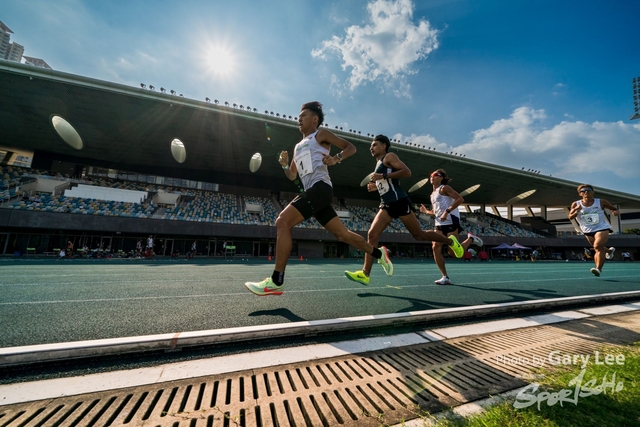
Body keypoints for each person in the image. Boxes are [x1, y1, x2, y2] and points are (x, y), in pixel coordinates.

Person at [245, 101, 393, 296]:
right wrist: (284, 164)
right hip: (314, 193)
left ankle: (276, 281)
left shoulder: (320, 134)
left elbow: (351, 147)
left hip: (321, 189)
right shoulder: (298, 147)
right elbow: (292, 175)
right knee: (342, 235)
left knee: (283, 221)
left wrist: (336, 158)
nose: (299, 119)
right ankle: (379, 254)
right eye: (298, 116)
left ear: (314, 119)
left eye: (303, 116)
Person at [344, 135, 466, 285]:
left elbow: (406, 172)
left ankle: (450, 242)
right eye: (371, 145)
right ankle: (365, 274)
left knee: (419, 235)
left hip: (399, 201)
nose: (371, 147)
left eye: (375, 145)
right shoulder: (378, 164)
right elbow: (389, 183)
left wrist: (382, 175)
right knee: (372, 234)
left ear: (384, 146)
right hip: (387, 203)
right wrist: (376, 185)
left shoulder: (389, 156)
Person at [419, 169, 484, 285]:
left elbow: (460, 199)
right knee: (435, 247)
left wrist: (447, 211)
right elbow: (436, 211)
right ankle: (445, 277)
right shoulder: (432, 194)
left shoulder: (444, 188)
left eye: (435, 175)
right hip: (439, 223)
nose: (432, 177)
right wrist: (427, 212)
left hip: (450, 221)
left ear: (441, 178)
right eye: (431, 175)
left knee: (453, 253)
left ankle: (471, 239)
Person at [568, 184, 619, 276]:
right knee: (597, 248)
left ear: (592, 192)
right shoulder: (576, 204)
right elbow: (570, 216)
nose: (586, 192)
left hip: (601, 227)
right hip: (587, 230)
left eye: (588, 190)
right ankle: (609, 251)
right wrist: (577, 210)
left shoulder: (601, 202)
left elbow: (613, 209)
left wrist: (614, 212)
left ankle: (598, 269)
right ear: (580, 194)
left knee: (597, 246)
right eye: (583, 191)